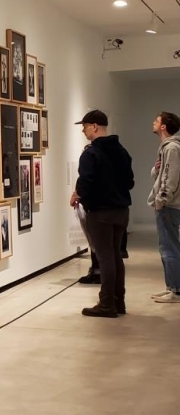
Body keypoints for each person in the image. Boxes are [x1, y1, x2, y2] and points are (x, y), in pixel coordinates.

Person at [70, 110, 134, 318]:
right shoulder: (122, 151)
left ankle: (106, 303)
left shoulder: (91, 153)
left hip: (100, 212)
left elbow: (86, 180)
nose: (83, 130)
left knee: (105, 257)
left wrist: (78, 194)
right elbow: (130, 182)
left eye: (85, 126)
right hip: (121, 211)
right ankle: (119, 301)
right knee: (115, 256)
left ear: (95, 126)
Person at [148, 111, 180, 303]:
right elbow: (161, 173)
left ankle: (175, 290)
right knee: (167, 246)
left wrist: (162, 199)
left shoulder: (171, 148)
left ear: (163, 126)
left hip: (169, 206)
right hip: (168, 204)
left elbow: (171, 176)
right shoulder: (168, 148)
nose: (153, 122)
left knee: (169, 247)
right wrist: (157, 169)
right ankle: (172, 286)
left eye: (157, 120)